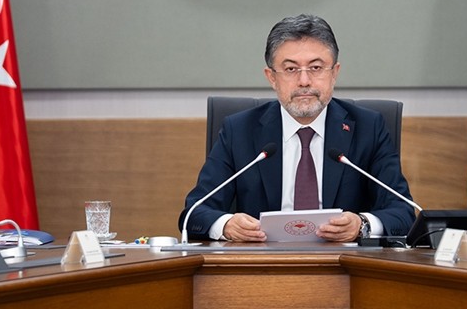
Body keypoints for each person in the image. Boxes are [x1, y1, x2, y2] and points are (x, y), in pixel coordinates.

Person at [178, 14, 416, 243]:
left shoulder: (368, 128)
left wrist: (362, 224)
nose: (304, 81)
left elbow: (403, 212)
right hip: (261, 264)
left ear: (334, 73)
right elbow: (194, 213)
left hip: (345, 264)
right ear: (272, 77)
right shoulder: (239, 131)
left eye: (316, 68)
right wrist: (227, 225)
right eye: (291, 69)